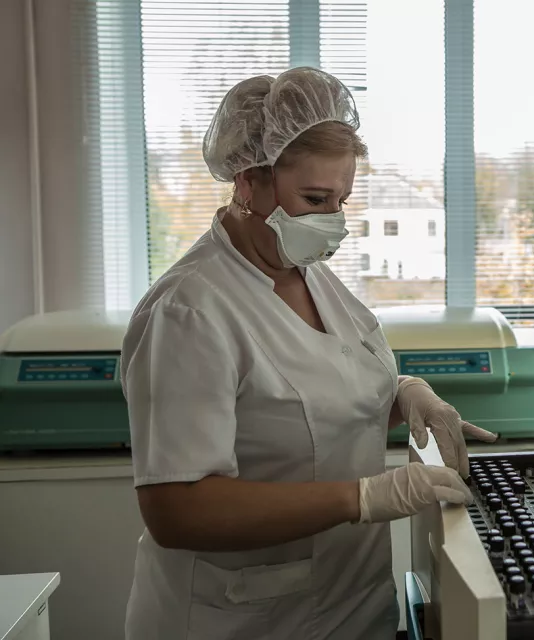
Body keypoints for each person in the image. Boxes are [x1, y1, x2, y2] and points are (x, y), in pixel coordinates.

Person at [120, 67, 497, 640]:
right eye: (316, 199)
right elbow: (177, 509)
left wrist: (407, 394)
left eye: (342, 201)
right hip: (245, 619)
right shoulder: (188, 312)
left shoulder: (309, 274)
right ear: (250, 181)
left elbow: (322, 387)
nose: (334, 223)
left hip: (353, 604)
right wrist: (366, 496)